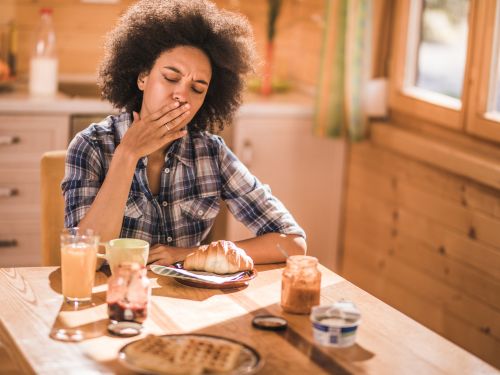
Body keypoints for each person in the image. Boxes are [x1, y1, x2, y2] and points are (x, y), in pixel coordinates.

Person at [62, 0, 306, 267]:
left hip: (184, 304)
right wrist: (127, 154)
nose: (182, 95)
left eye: (198, 88)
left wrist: (190, 253)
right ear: (143, 77)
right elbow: (84, 262)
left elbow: (292, 243)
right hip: (109, 300)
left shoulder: (211, 153)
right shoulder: (91, 146)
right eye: (170, 77)